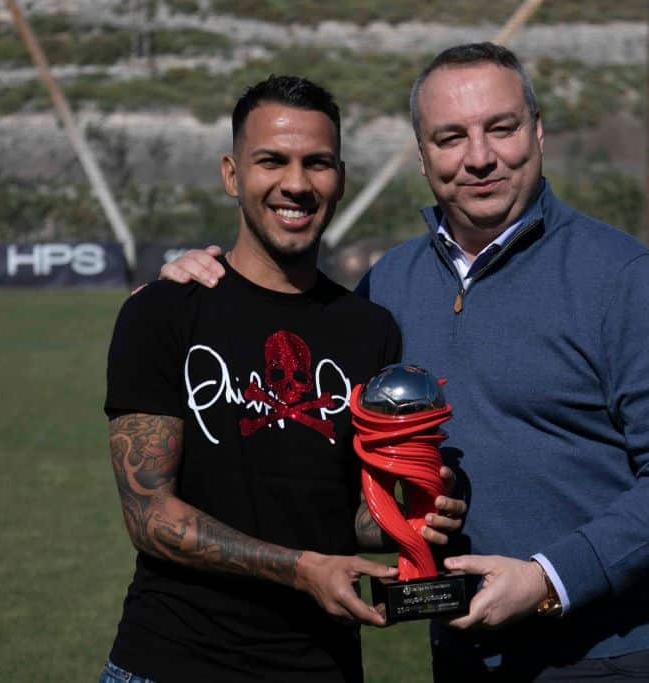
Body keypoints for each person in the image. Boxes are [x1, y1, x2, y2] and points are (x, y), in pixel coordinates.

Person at [161, 43, 649, 682]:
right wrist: (186, 285)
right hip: (463, 658)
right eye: (450, 137)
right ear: (424, 157)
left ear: (537, 134)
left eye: (501, 129)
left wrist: (550, 579)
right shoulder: (386, 288)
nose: (479, 157)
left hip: (614, 659)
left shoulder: (623, 278)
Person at [102, 75, 466, 683]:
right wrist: (300, 569)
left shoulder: (369, 329)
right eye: (272, 160)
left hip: (321, 666)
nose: (296, 184)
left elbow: (341, 512)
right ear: (231, 174)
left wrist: (414, 516)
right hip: (172, 663)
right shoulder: (164, 311)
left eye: (317, 163)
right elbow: (150, 518)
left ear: (340, 179)